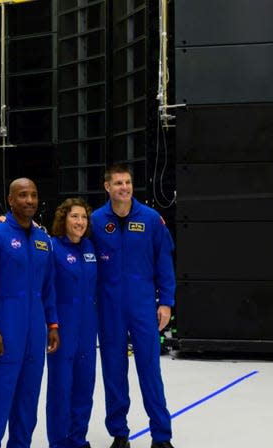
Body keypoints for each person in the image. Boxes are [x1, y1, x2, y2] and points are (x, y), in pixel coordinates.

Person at [91, 164, 176, 448]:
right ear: (107, 187)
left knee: (150, 370)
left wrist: (166, 302)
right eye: (117, 183)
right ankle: (119, 433)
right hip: (109, 307)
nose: (124, 188)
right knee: (114, 372)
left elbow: (164, 262)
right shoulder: (95, 221)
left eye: (127, 182)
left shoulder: (151, 219)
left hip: (142, 307)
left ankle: (161, 436)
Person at [0, 177, 60, 448]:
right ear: (10, 200)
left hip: (36, 328)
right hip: (6, 326)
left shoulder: (42, 239)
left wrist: (53, 325)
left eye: (33, 195)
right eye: (22, 195)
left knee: (29, 394)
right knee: (0, 392)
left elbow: (48, 288)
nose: (29, 201)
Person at [46, 198, 98, 448]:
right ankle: (59, 441)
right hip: (63, 327)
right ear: (63, 219)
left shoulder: (90, 247)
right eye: (74, 216)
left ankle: (78, 439)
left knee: (84, 387)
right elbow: (48, 291)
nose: (80, 222)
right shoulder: (53, 248)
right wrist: (52, 325)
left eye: (84, 217)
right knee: (60, 388)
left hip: (87, 328)